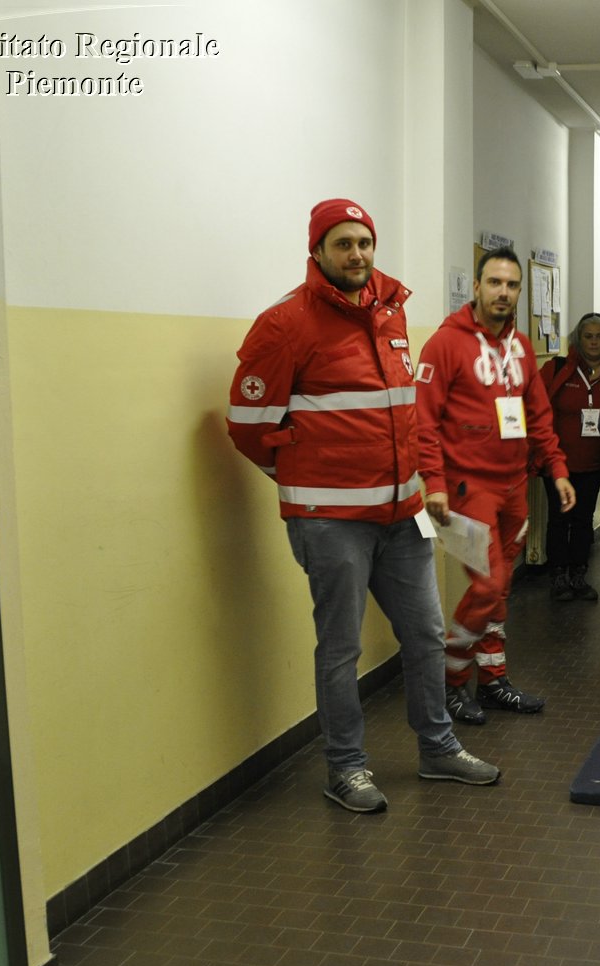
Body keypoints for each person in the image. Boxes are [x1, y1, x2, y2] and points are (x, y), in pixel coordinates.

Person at [226, 198, 500, 814]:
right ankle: (345, 768)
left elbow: (404, 413)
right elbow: (247, 425)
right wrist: (302, 477)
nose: (357, 254)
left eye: (364, 242)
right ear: (318, 251)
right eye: (343, 243)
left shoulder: (391, 312)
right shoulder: (285, 323)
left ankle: (437, 748)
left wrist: (424, 483)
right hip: (331, 524)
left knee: (426, 636)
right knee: (341, 650)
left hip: (402, 516)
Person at [416, 246, 576, 725]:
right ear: (478, 287)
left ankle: (493, 678)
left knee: (500, 589)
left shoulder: (523, 347)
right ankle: (451, 679)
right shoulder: (445, 345)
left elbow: (540, 416)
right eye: (495, 283)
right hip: (467, 489)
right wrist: (434, 482)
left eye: (511, 285)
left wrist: (558, 469)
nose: (503, 292)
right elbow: (423, 421)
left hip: (514, 487)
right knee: (488, 585)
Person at [539, 313, 600, 602]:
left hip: (593, 464)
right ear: (578, 339)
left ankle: (579, 575)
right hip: (558, 464)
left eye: (599, 336)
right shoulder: (557, 369)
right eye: (588, 336)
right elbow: (535, 409)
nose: (593, 342)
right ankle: (558, 577)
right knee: (558, 520)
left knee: (583, 521)